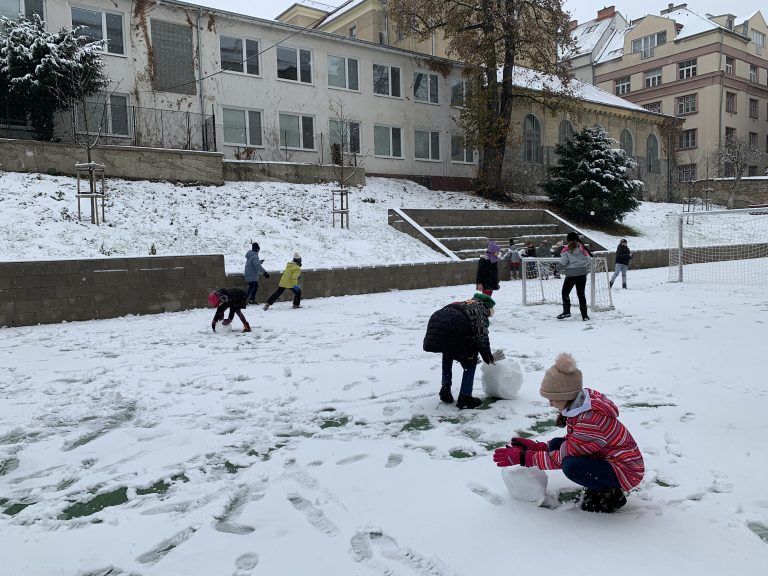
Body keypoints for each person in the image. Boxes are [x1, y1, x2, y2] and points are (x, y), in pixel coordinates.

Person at [492, 353, 644, 513]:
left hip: (625, 470)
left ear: (566, 396)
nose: (550, 403)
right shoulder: (579, 406)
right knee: (558, 445)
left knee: (571, 466)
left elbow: (564, 457)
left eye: (553, 398)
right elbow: (573, 443)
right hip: (608, 459)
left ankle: (610, 495)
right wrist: (539, 448)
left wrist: (525, 457)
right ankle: (600, 485)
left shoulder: (589, 419)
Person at [423, 293, 496, 410]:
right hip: (456, 325)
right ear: (487, 307)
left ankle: (445, 388)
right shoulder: (480, 310)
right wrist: (487, 356)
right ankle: (465, 397)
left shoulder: (464, 304)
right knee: (470, 360)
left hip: (437, 321)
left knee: (448, 352)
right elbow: (482, 337)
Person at [557, 232, 591, 321]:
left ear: (568, 240)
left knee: (565, 293)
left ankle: (567, 311)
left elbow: (562, 263)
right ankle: (585, 315)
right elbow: (588, 261)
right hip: (582, 274)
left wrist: (556, 269)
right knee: (581, 294)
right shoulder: (583, 249)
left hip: (571, 275)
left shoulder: (567, 251)